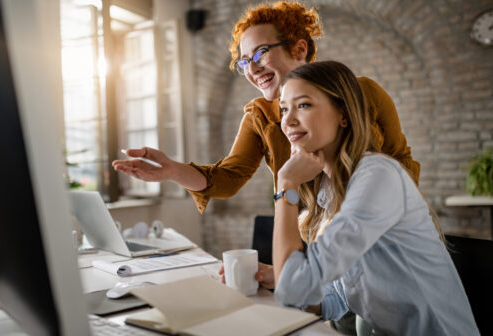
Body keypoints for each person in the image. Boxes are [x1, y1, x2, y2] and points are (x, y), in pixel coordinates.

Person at [112, 1, 420, 215]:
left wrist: (393, 217)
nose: (251, 68)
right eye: (244, 61)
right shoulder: (260, 115)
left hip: (374, 229)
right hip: (307, 235)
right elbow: (227, 178)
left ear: (299, 49)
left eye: (260, 53)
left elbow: (401, 161)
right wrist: (171, 171)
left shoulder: (363, 93)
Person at [271, 60, 479, 335]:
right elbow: (338, 298)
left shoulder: (378, 176)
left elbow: (293, 291)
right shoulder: (331, 192)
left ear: (343, 114)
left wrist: (285, 186)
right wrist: (279, 278)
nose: (287, 121)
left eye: (304, 105)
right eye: (284, 109)